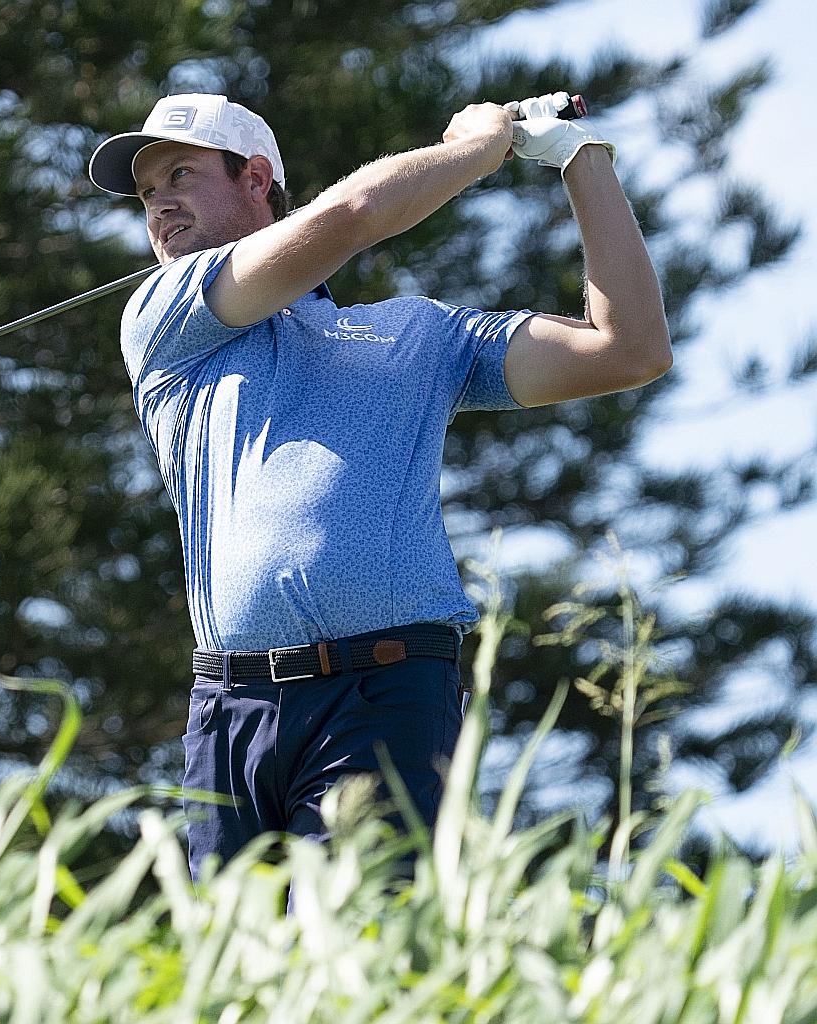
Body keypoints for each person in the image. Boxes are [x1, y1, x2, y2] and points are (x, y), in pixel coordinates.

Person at [87, 93, 671, 881]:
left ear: (256, 178)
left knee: (359, 964)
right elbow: (358, 210)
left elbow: (627, 349)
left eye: (180, 174)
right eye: (149, 192)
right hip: (231, 709)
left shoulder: (417, 334)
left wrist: (579, 155)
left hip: (385, 695)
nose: (159, 206)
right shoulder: (166, 313)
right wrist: (478, 147)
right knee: (229, 990)